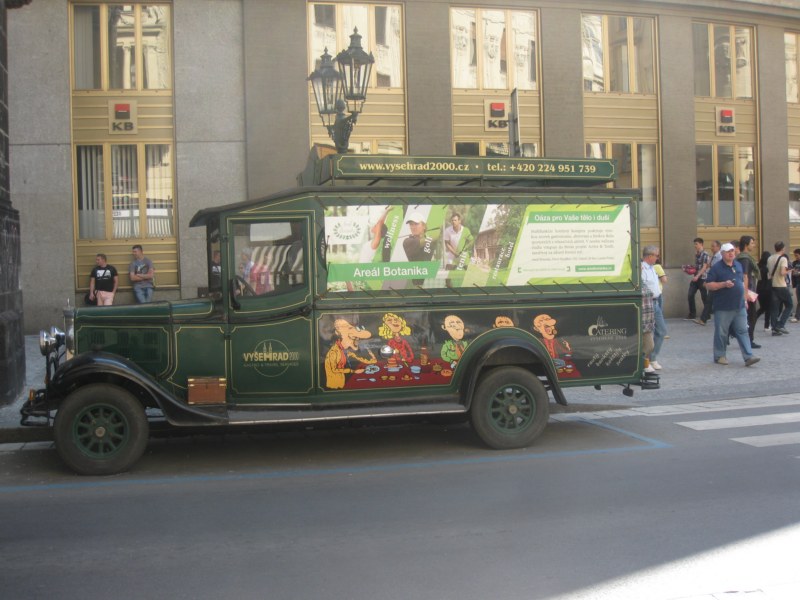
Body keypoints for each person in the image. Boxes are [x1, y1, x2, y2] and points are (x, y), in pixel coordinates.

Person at [704, 242, 760, 367]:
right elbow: (708, 285)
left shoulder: (738, 265)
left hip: (739, 306)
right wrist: (723, 284)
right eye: (728, 251)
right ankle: (720, 356)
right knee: (721, 332)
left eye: (732, 251)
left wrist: (745, 298)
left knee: (743, 331)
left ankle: (748, 356)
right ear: (722, 253)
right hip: (723, 307)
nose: (731, 253)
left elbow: (743, 281)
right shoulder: (716, 268)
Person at [641, 245, 667, 370]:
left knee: (661, 330)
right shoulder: (641, 269)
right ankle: (645, 360)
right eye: (656, 255)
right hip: (647, 303)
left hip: (656, 302)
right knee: (646, 332)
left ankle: (652, 358)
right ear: (650, 256)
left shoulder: (653, 268)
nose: (658, 258)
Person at [736, 235, 760, 348]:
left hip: (747, 290)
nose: (754, 245)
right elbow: (745, 276)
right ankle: (749, 340)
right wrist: (746, 294)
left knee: (748, 316)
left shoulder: (741, 257)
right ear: (746, 245)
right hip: (748, 291)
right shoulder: (745, 259)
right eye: (752, 243)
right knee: (751, 317)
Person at [767, 241, 792, 335]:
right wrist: (789, 270)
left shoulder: (770, 258)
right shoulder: (783, 258)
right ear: (783, 248)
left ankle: (774, 329)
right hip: (781, 285)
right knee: (789, 305)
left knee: (775, 308)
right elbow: (782, 273)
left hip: (773, 286)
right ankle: (781, 325)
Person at [403, 211, 434, 286]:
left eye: (416, 224)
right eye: (411, 224)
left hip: (431, 281)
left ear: (424, 226)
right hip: (417, 284)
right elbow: (425, 241)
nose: (413, 227)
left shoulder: (430, 240)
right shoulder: (407, 241)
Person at [691, 238, 713, 325]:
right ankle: (692, 314)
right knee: (690, 294)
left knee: (704, 297)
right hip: (695, 278)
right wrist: (691, 269)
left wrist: (697, 276)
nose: (695, 246)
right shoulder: (696, 254)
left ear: (701, 244)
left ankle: (707, 315)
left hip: (702, 278)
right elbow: (697, 266)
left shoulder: (705, 254)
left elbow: (704, 267)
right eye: (694, 244)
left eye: (696, 244)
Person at [755, 250, 772, 331]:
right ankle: (766, 326)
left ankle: (751, 319)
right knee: (767, 308)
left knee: (762, 308)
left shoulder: (758, 266)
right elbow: (769, 278)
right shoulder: (767, 268)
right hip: (767, 289)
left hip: (759, 289)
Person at [792, 248, 800, 323]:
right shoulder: (794, 263)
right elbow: (792, 272)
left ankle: (797, 317)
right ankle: (797, 316)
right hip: (798, 283)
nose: (796, 257)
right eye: (795, 256)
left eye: (797, 255)